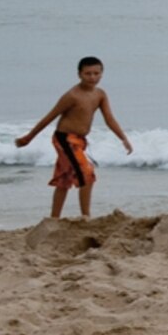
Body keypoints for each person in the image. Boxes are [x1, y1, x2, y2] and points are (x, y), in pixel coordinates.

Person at [17, 56, 132, 219]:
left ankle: (54, 219)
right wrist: (28, 137)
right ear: (79, 74)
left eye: (96, 73)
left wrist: (123, 138)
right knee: (87, 174)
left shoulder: (100, 94)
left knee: (64, 179)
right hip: (65, 139)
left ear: (101, 74)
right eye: (88, 74)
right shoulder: (72, 96)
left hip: (79, 141)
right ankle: (86, 216)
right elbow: (50, 117)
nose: (92, 77)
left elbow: (109, 118)